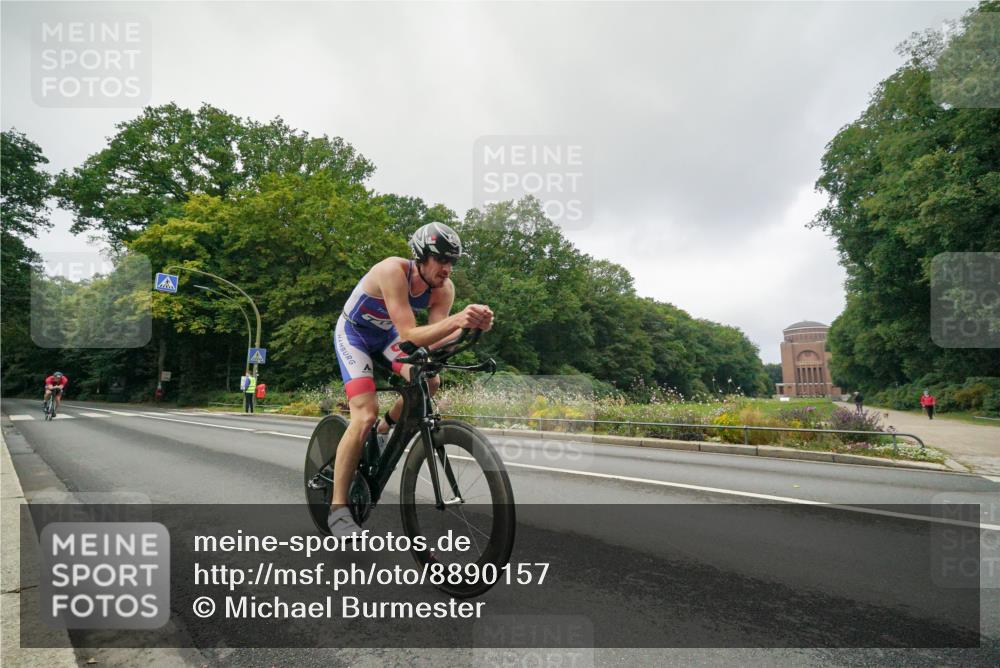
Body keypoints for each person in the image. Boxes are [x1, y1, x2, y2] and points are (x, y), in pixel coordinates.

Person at [329, 222, 493, 538]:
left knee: (429, 382)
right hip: (354, 335)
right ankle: (338, 509)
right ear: (420, 256)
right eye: (440, 259)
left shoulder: (444, 290)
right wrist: (460, 320)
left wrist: (472, 327)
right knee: (364, 414)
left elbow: (432, 341)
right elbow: (409, 334)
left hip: (387, 337)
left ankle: (385, 428)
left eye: (452, 262)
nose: (447, 268)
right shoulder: (392, 271)